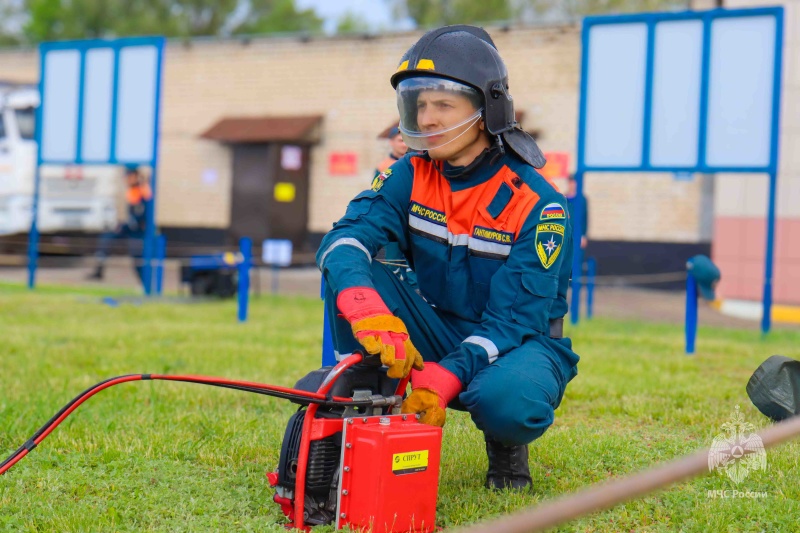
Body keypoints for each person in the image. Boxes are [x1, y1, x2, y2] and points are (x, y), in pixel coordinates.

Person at [316, 25, 579, 491]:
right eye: (420, 104)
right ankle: (358, 397)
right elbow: (345, 238)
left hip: (520, 341)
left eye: (444, 104)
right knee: (353, 266)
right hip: (438, 326)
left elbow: (511, 321)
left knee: (507, 400)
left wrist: (445, 377)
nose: (428, 118)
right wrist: (367, 308)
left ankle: (505, 447)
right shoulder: (410, 173)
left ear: (485, 110)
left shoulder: (540, 205)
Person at [87, 165, 152, 282]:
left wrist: (126, 225)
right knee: (106, 239)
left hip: (140, 232)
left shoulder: (143, 191)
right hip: (131, 228)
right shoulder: (132, 190)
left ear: (136, 176)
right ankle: (99, 271)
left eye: (129, 176)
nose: (127, 179)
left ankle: (146, 284)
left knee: (138, 260)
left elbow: (141, 216)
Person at [374, 125, 417, 289]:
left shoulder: (416, 163)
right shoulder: (383, 167)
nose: (403, 144)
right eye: (400, 140)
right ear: (391, 142)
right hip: (394, 219)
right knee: (391, 262)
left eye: (406, 140)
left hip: (412, 219)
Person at [565, 174, 588, 249]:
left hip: (577, 233)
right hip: (566, 233)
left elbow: (585, 218)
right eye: (571, 182)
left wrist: (583, 235)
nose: (573, 185)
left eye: (574, 182)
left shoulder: (582, 199)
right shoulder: (563, 198)